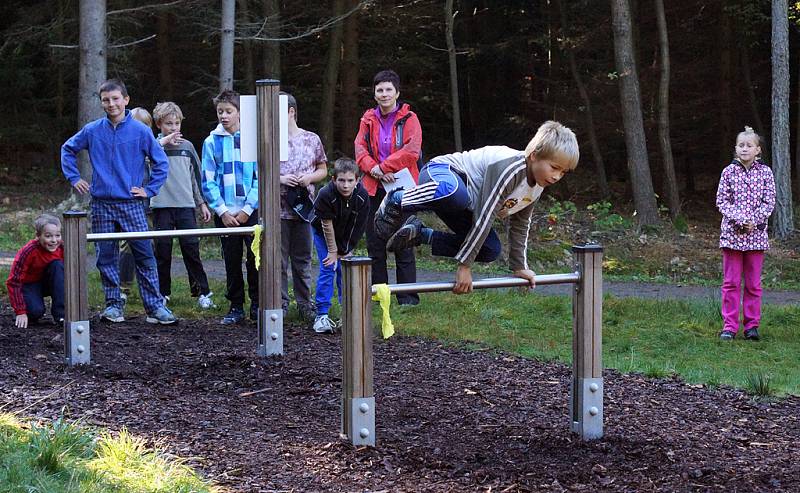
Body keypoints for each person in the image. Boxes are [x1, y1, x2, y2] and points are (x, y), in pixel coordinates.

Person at [375, 120, 579, 294]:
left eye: (563, 172)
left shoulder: (537, 186)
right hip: (442, 174)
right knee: (455, 194)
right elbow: (485, 215)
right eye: (554, 167)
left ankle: (421, 234)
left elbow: (520, 225)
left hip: (463, 204)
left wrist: (519, 266)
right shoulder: (511, 169)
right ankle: (399, 198)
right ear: (534, 155)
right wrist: (464, 266)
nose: (556, 176)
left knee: (490, 249)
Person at [61, 79, 176, 325]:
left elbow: (160, 162)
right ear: (101, 102)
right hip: (101, 204)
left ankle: (155, 307)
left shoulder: (141, 131)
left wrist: (149, 189)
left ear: (126, 100)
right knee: (106, 256)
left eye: (115, 98)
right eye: (106, 100)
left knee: (144, 254)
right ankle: (113, 305)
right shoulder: (92, 130)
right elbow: (67, 149)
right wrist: (74, 178)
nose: (111, 104)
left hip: (131, 203)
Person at [355, 69, 422, 306]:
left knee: (404, 242)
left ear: (397, 93)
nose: (384, 94)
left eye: (388, 90)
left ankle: (407, 298)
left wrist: (384, 167)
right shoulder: (367, 119)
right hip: (374, 187)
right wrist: (373, 168)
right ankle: (379, 295)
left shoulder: (409, 118)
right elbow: (359, 149)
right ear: (374, 94)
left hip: (402, 187)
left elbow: (412, 150)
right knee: (375, 243)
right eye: (379, 90)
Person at [201, 89, 259, 325]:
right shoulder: (211, 141)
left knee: (255, 259)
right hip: (225, 214)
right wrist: (222, 211)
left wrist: (247, 209)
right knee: (231, 260)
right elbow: (208, 179)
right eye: (220, 112)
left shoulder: (252, 138)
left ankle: (257, 304)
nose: (224, 116)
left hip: (250, 211)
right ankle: (236, 305)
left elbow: (260, 176)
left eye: (228, 111)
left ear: (239, 112)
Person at [151, 101, 215, 309]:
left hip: (186, 205)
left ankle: (202, 291)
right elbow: (142, 162)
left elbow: (196, 177)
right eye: (169, 124)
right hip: (161, 206)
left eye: (177, 123)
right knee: (163, 251)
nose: (173, 128)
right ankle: (163, 293)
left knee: (191, 249)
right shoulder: (152, 146)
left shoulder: (187, 147)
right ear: (159, 124)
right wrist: (161, 143)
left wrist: (202, 203)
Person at [715, 126, 775, 341]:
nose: (744, 149)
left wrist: (754, 221)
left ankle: (752, 326)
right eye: (741, 145)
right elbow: (722, 201)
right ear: (736, 148)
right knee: (731, 283)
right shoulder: (728, 172)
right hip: (732, 236)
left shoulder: (765, 173)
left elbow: (769, 201)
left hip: (756, 237)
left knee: (753, 284)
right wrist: (740, 219)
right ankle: (729, 326)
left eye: (749, 145)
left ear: (757, 150)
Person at [278, 92, 328, 322]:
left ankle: (305, 304)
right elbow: (259, 171)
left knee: (303, 259)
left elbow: (323, 169)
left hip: (303, 210)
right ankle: (279, 304)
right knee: (278, 260)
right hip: (277, 209)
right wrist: (281, 178)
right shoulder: (270, 139)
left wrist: (308, 178)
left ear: (291, 111)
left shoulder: (311, 138)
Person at [310, 157, 370, 333]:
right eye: (342, 180)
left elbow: (358, 226)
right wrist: (333, 251)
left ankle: (348, 314)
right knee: (329, 266)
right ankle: (321, 314)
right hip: (322, 231)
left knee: (344, 269)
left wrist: (345, 250)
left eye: (350, 180)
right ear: (334, 179)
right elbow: (326, 225)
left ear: (357, 180)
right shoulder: (326, 194)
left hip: (346, 233)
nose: (346, 185)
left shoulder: (362, 196)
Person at [119, 107, 154, 299]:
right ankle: (123, 287)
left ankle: (150, 287)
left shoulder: (153, 146)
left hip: (152, 206)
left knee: (150, 246)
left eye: (144, 126)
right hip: (130, 206)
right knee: (127, 245)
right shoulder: (124, 147)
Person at [6, 214, 65, 328]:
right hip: (29, 285)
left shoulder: (62, 247)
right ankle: (30, 310)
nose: (54, 240)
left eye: (57, 235)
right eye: (48, 236)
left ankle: (62, 315)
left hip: (49, 281)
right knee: (35, 312)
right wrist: (20, 311)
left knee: (57, 265)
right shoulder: (29, 251)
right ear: (38, 236)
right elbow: (14, 281)